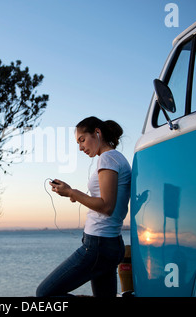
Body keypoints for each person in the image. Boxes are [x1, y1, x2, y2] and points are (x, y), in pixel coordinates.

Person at [36, 116, 131, 297]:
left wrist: (72, 192)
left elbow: (106, 206)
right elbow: (107, 200)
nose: (80, 147)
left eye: (82, 140)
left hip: (98, 244)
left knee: (44, 294)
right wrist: (75, 194)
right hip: (110, 243)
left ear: (97, 132)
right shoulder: (117, 158)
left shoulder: (107, 159)